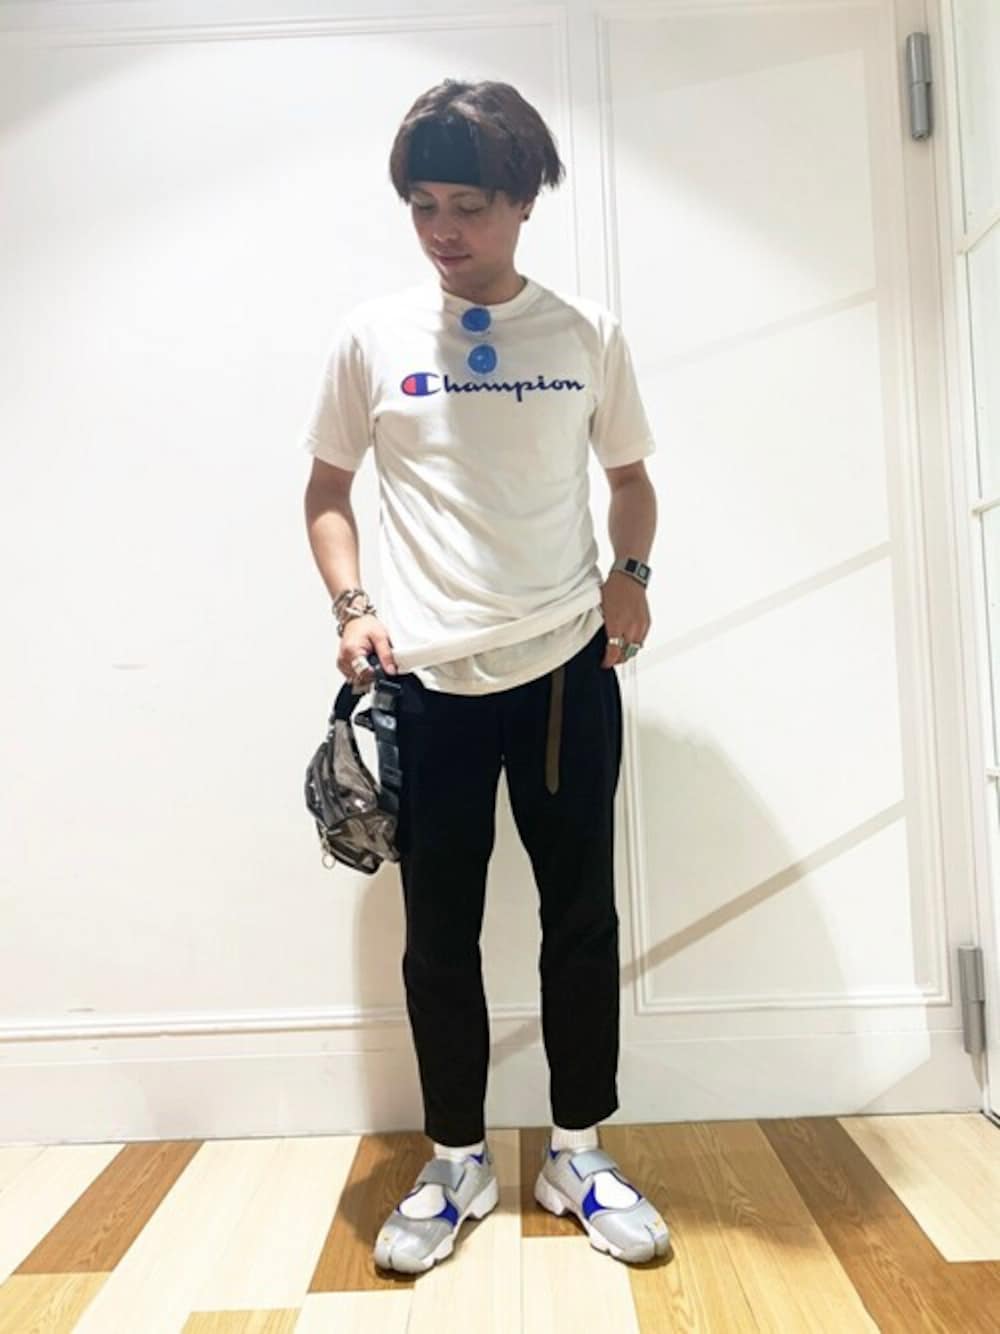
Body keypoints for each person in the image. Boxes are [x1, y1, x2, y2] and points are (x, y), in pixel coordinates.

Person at [302, 78, 670, 1273]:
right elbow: (326, 491)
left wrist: (630, 572)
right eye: (424, 205)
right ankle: (456, 1158)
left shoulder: (584, 334)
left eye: (468, 205)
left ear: (522, 203)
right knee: (438, 935)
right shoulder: (373, 337)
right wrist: (353, 605)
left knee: (581, 918)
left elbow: (630, 479)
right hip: (428, 685)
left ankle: (577, 1152)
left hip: (566, 668)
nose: (444, 230)